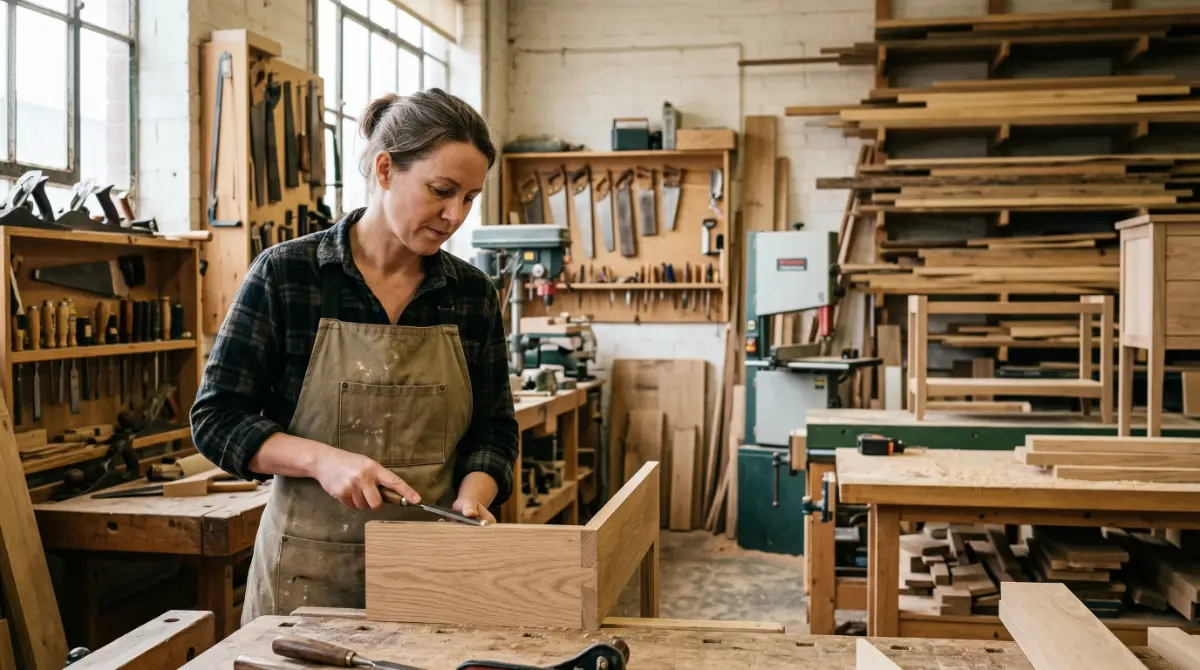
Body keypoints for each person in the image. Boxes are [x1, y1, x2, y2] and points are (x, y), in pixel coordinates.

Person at [190, 88, 519, 624]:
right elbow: (215, 418)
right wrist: (322, 460)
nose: (454, 214)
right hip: (305, 581)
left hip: (433, 576)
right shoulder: (288, 276)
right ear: (386, 170)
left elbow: (495, 429)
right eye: (442, 190)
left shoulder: (470, 294)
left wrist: (473, 496)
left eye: (470, 198)